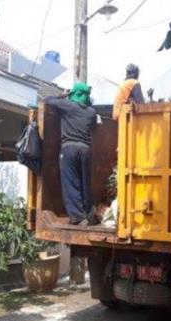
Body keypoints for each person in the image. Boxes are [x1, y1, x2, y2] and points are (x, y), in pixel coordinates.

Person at [44, 83, 98, 226]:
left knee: (71, 182)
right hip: (85, 150)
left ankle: (78, 217)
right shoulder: (91, 112)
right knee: (84, 183)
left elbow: (47, 100)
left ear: (75, 94)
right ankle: (89, 214)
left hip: (69, 149)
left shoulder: (68, 106)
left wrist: (63, 95)